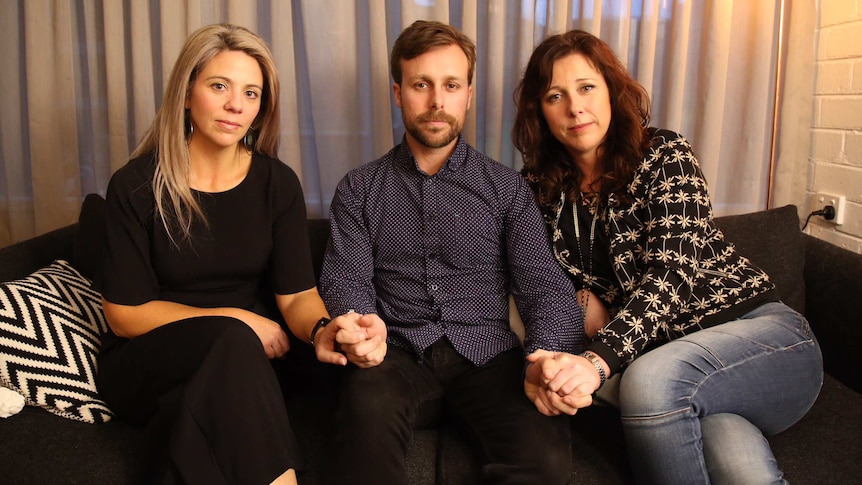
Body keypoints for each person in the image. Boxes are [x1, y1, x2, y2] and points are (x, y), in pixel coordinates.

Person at [512, 29, 824, 484]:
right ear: (540, 111)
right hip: (682, 372)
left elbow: (671, 274)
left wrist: (596, 361)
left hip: (760, 336)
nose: (574, 107)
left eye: (586, 87)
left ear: (611, 92)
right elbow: (541, 281)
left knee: (649, 384)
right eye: (554, 95)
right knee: (740, 470)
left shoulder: (663, 153)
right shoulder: (540, 190)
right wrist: (550, 355)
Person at [314, 20, 586, 485]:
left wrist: (546, 352)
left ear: (468, 94)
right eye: (422, 85)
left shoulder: (506, 189)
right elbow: (346, 279)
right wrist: (358, 326)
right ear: (399, 94)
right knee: (363, 416)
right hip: (393, 355)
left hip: (489, 359)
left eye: (451, 85)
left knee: (544, 459)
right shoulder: (359, 189)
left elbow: (544, 285)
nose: (438, 102)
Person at [95, 24, 350, 485]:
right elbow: (125, 315)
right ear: (187, 94)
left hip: (246, 362)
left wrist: (320, 328)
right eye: (219, 86)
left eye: (251, 93)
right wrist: (234, 319)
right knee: (231, 346)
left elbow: (296, 296)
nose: (237, 105)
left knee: (204, 404)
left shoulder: (277, 183)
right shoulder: (135, 186)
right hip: (148, 358)